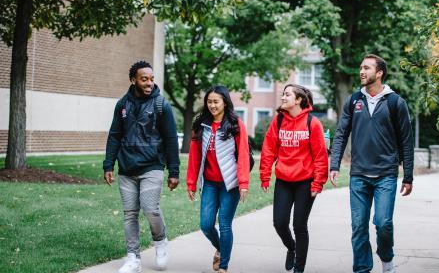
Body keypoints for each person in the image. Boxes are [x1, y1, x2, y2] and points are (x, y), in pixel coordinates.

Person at [329, 54, 414, 273]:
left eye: (366, 68)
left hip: (386, 174)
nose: (361, 71)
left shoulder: (395, 102)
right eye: (360, 67)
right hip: (359, 174)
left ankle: (386, 259)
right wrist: (334, 164)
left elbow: (406, 140)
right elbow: (340, 134)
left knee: (383, 223)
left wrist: (408, 176)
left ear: (379, 73)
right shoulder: (354, 100)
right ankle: (362, 269)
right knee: (358, 227)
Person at [103, 60, 180, 273]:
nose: (149, 83)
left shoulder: (161, 105)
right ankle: (133, 258)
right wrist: (108, 164)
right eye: (144, 79)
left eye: (151, 79)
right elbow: (115, 136)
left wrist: (174, 171)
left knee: (150, 208)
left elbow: (171, 139)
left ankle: (160, 241)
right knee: (130, 213)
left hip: (152, 166)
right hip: (126, 168)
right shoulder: (122, 105)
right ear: (133, 80)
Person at [259, 84, 329, 273]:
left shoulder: (312, 123)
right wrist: (265, 175)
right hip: (283, 180)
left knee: (299, 224)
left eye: (287, 94)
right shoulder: (279, 121)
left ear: (298, 100)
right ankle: (291, 247)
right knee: (279, 223)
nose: (283, 97)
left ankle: (299, 268)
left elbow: (320, 155)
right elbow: (268, 149)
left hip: (305, 182)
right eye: (283, 94)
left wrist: (318, 183)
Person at [186, 85, 250, 273]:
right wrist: (191, 183)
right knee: (206, 225)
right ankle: (222, 249)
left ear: (225, 102)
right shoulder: (201, 124)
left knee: (224, 224)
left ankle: (223, 266)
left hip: (230, 184)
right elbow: (194, 156)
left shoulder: (235, 123)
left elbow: (244, 155)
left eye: (216, 101)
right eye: (209, 101)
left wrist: (243, 183)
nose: (212, 105)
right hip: (210, 183)